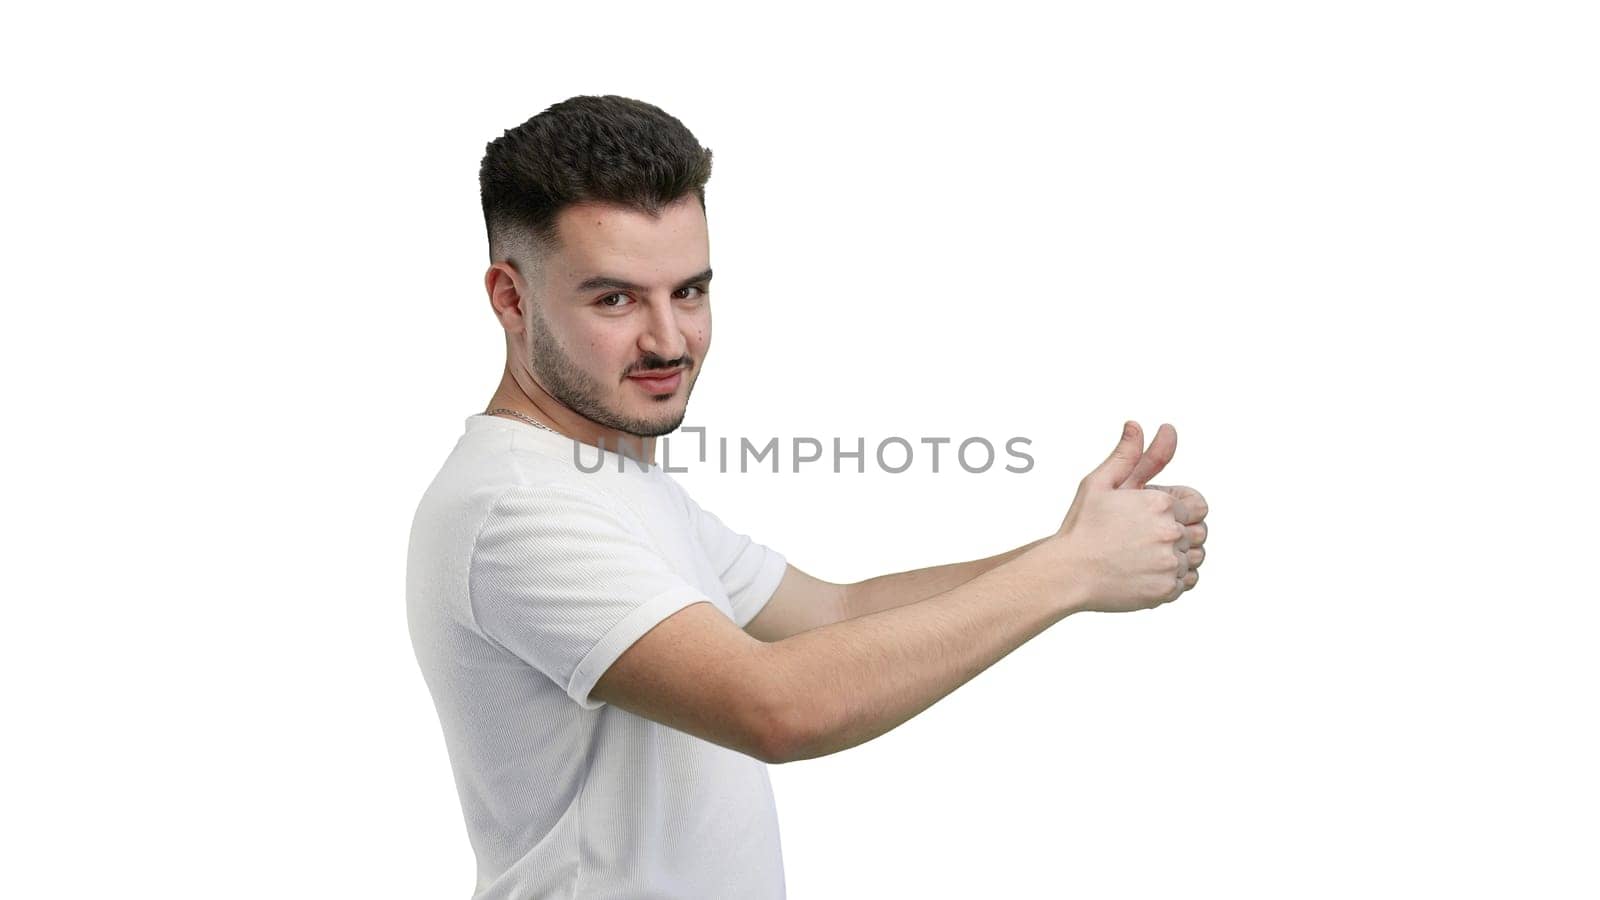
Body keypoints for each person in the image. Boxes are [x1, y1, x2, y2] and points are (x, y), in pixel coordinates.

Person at [406, 94, 1210, 900]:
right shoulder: (517, 508)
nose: (669, 340)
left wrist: (1075, 543)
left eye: (689, 291)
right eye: (615, 299)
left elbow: (835, 613)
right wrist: (1071, 573)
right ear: (510, 298)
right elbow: (779, 706)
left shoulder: (608, 478)